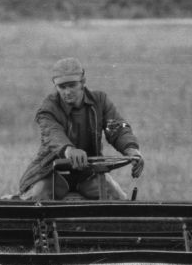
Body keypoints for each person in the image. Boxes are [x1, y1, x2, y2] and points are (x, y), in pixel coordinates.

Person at [18, 57, 144, 201]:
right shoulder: (48, 108)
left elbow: (117, 129)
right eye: (62, 87)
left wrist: (131, 149)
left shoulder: (100, 101)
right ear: (55, 86)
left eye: (72, 85)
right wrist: (69, 150)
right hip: (51, 172)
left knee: (119, 199)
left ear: (83, 82)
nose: (67, 92)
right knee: (35, 199)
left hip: (88, 173)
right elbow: (53, 134)